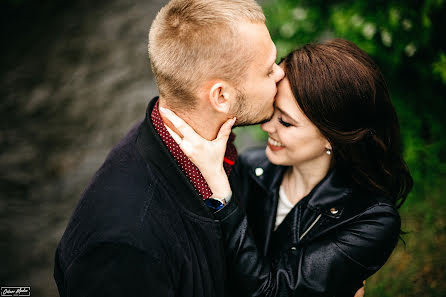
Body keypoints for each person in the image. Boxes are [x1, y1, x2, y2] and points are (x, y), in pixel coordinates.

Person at [53, 1, 285, 296]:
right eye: (268, 70)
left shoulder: (211, 152)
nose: (280, 74)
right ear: (221, 96)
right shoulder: (123, 247)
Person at [162, 38, 413, 296]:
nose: (266, 127)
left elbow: (272, 291)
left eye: (286, 123)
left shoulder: (371, 220)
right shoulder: (251, 167)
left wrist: (221, 195)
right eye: (273, 112)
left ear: (332, 137)